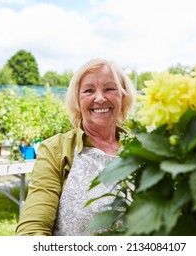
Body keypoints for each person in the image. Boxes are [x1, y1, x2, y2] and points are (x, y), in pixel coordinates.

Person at [15, 58, 137, 236]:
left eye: (110, 89)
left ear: (123, 96)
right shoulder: (56, 150)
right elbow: (32, 230)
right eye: (88, 91)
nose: (100, 98)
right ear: (77, 100)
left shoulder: (141, 149)